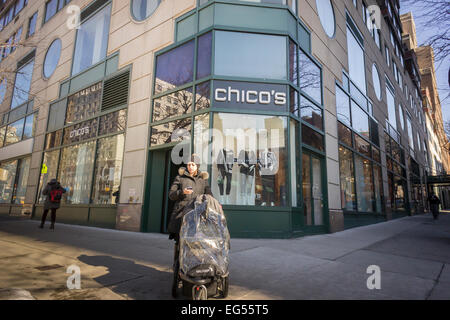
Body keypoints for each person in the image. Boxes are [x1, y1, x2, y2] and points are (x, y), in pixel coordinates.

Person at [167, 154, 213, 242]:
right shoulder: (180, 178)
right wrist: (182, 192)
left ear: (197, 166)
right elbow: (171, 195)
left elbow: (209, 194)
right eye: (188, 164)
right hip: (181, 213)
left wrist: (215, 203)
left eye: (193, 164)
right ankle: (178, 255)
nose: (190, 167)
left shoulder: (203, 179)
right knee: (180, 241)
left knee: (194, 241)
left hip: (196, 213)